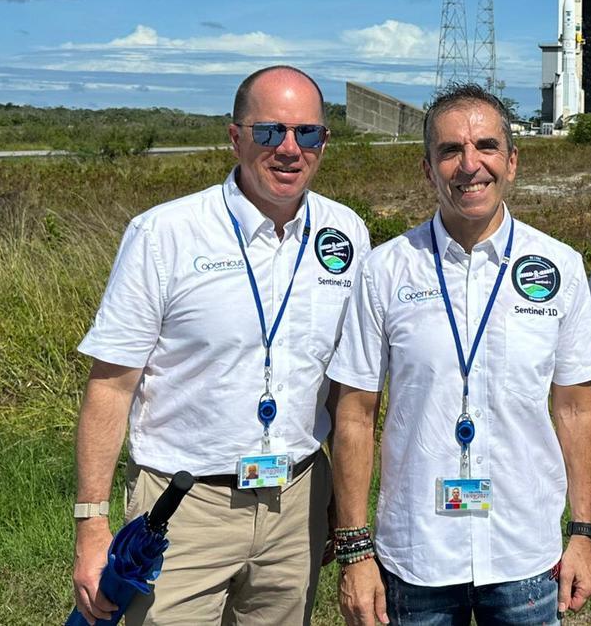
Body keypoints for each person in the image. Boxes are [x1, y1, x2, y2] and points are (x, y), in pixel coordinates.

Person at [71, 65, 369, 626]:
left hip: (296, 499)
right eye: (268, 132)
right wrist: (92, 524)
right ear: (235, 136)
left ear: (325, 140)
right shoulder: (165, 234)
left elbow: (341, 385)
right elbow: (111, 387)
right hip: (184, 508)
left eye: (308, 133)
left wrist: (342, 504)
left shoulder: (347, 233)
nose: (289, 149)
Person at [329, 83, 591, 626]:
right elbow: (355, 415)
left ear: (512, 161)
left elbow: (576, 407)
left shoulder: (559, 266)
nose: (469, 165)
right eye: (450, 150)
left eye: (485, 146)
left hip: (525, 552)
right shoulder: (384, 270)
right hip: (417, 555)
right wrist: (355, 551)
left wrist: (583, 533)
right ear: (428, 169)